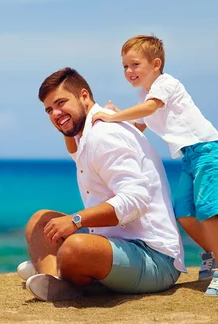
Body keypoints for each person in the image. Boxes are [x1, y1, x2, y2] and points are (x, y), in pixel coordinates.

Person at [19, 67, 187, 302]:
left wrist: (76, 219)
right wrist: (65, 120)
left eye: (61, 103)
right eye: (49, 110)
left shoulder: (104, 135)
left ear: (84, 96)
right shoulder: (87, 134)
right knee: (40, 221)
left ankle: (56, 268)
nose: (55, 113)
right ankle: (54, 282)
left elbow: (135, 201)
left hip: (154, 257)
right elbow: (76, 152)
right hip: (118, 246)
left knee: (75, 248)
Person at [91, 35, 218, 297]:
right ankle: (214, 256)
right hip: (189, 157)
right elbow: (139, 126)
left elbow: (149, 109)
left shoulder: (166, 85)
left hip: (209, 151)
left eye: (135, 64)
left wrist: (114, 115)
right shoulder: (145, 95)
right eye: (125, 66)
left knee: (207, 211)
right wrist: (113, 121)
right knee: (183, 213)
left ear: (156, 64)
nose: (129, 71)